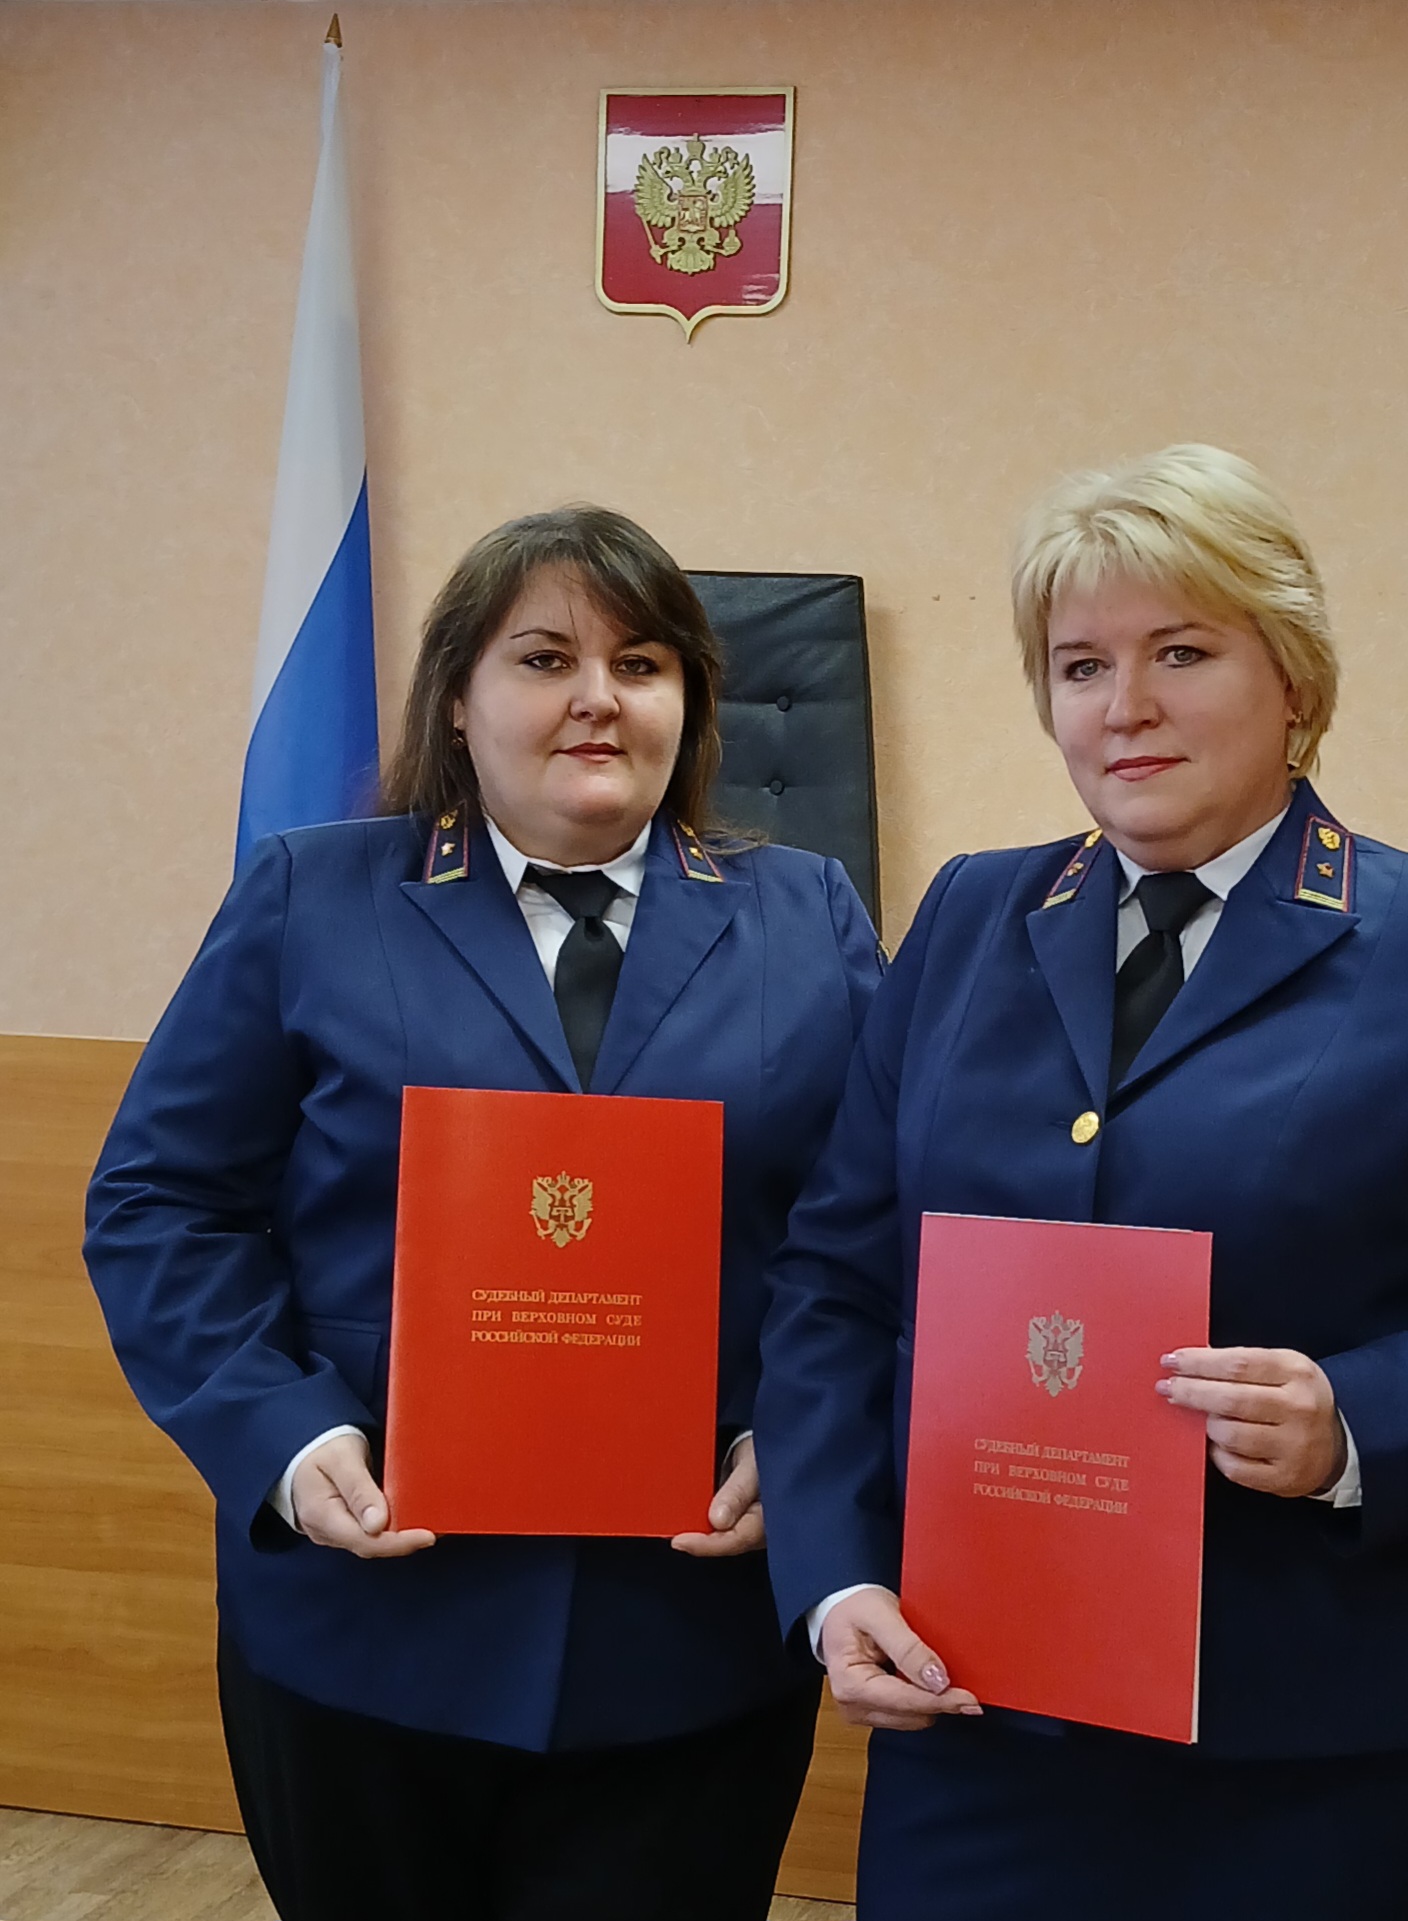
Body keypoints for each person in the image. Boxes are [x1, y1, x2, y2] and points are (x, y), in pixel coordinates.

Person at [754, 445, 1408, 1921]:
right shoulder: (970, 914)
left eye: (1181, 651)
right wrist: (835, 1574)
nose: (1124, 705)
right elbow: (835, 1285)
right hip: (976, 1715)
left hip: (1302, 1746)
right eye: (1080, 665)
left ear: (1291, 676)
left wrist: (1353, 1421)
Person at [84, 506, 882, 1921]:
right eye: (544, 658)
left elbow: (873, 1225)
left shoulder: (805, 912)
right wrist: (285, 1435)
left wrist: (810, 1441)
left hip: (684, 1632)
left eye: (641, 663)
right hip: (369, 1615)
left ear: (689, 701)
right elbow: (162, 1201)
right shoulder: (312, 894)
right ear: (457, 697)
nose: (597, 696)